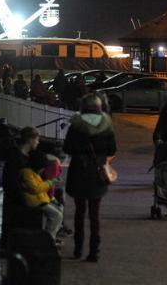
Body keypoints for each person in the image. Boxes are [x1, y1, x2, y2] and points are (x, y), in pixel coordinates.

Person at [63, 94, 117, 262]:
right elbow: (112, 149)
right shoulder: (106, 125)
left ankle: (78, 249)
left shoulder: (76, 125)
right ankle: (94, 251)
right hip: (97, 172)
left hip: (79, 170)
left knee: (80, 212)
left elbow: (68, 148)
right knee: (95, 213)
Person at [1, 127, 40, 246]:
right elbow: (12, 182)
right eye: (37, 139)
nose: (38, 142)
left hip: (18, 199)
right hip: (17, 201)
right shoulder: (16, 158)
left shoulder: (22, 156)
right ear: (30, 140)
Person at [19, 150, 64, 242]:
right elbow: (36, 189)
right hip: (34, 201)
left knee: (59, 209)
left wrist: (51, 198)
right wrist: (50, 182)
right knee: (56, 215)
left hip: (38, 199)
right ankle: (48, 239)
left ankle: (51, 236)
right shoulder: (26, 173)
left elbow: (40, 188)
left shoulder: (33, 173)